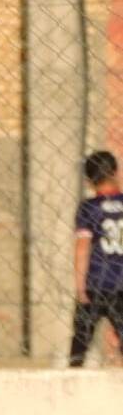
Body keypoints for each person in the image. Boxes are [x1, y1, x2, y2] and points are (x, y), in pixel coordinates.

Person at [68, 150, 123, 367]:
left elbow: (82, 248)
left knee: (80, 340)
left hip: (96, 283)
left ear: (89, 181)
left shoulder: (89, 207)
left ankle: (72, 376)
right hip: (121, 286)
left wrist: (80, 286)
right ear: (115, 172)